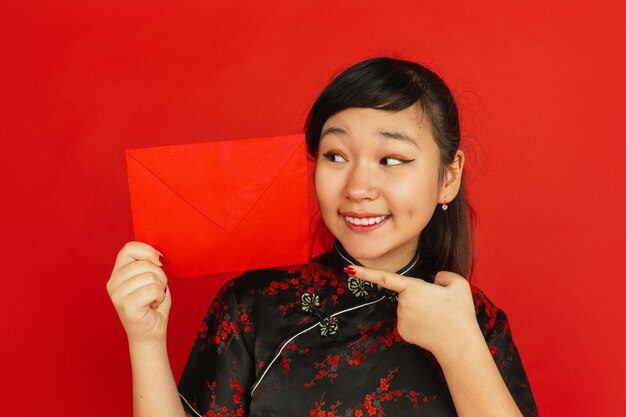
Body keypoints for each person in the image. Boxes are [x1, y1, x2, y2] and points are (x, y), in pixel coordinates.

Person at [107, 57, 538, 417]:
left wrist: (460, 347)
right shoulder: (253, 304)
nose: (357, 187)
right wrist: (145, 340)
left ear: (449, 177)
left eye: (391, 159)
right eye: (336, 156)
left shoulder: (479, 323)